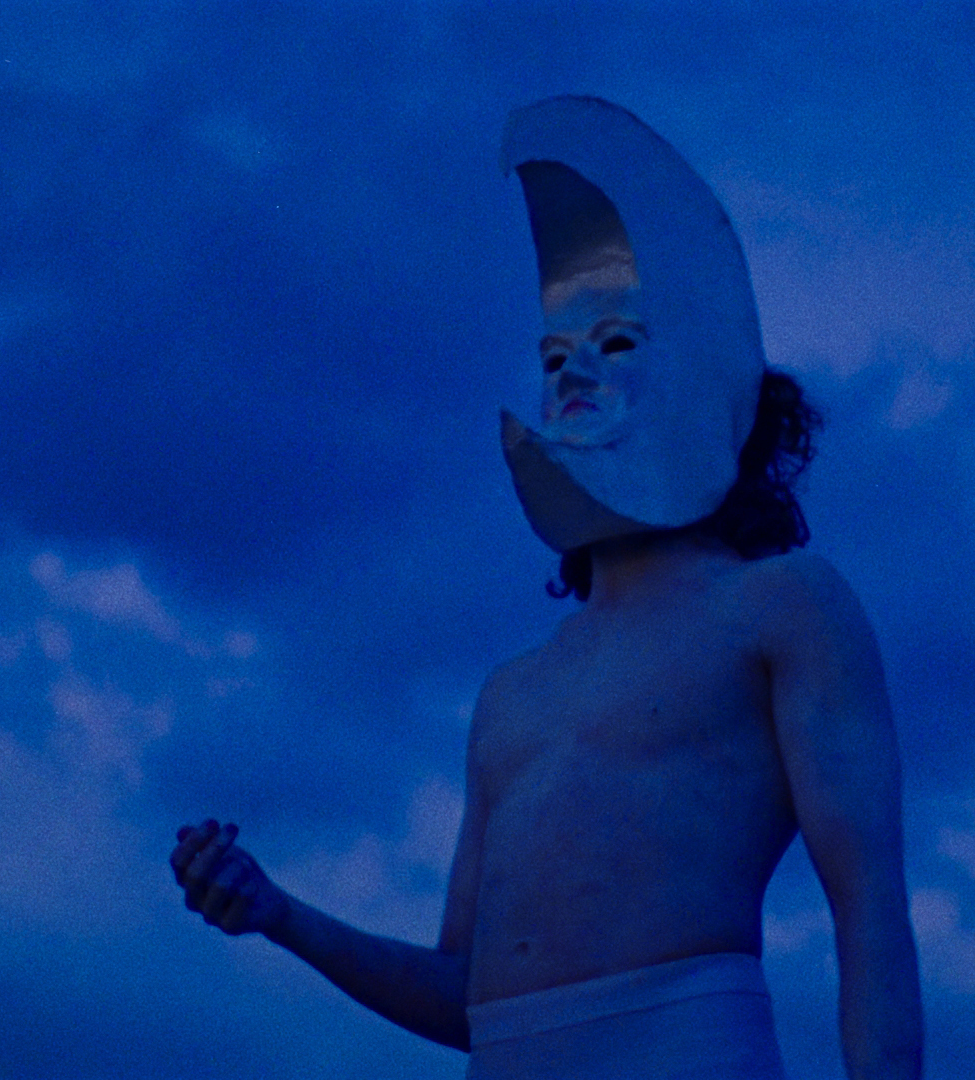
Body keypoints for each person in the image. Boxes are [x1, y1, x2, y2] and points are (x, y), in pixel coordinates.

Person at [171, 96, 923, 1080]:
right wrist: (281, 916)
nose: (570, 376)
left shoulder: (783, 606)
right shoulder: (510, 696)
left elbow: (870, 910)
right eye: (554, 357)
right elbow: (465, 994)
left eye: (615, 347)